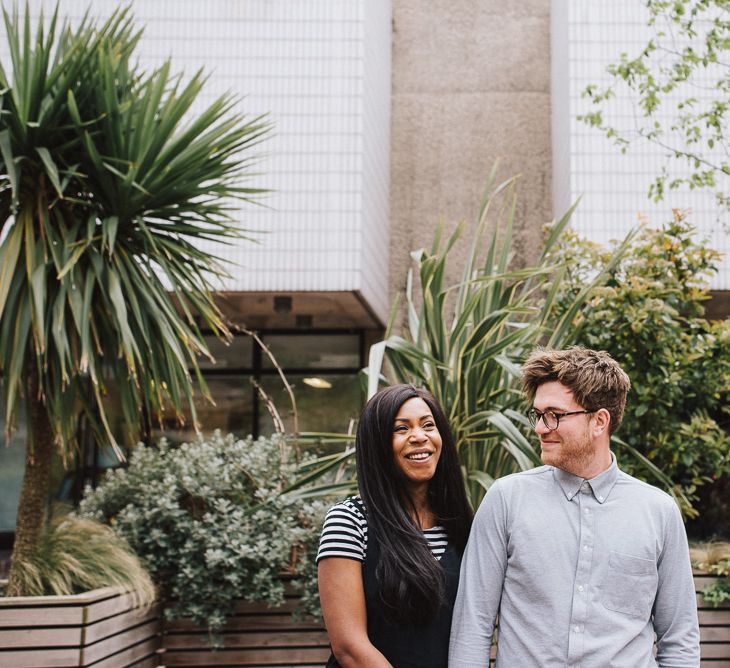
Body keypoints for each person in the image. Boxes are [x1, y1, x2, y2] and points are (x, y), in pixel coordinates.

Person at [449, 347, 700, 667]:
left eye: (555, 414)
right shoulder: (506, 500)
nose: (540, 427)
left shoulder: (658, 512)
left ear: (599, 421)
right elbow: (473, 625)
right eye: (538, 415)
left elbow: (679, 639)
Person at [317, 384, 473, 667]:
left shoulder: (460, 524)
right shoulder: (350, 520)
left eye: (428, 425)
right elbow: (349, 647)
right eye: (401, 429)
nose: (419, 437)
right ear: (377, 445)